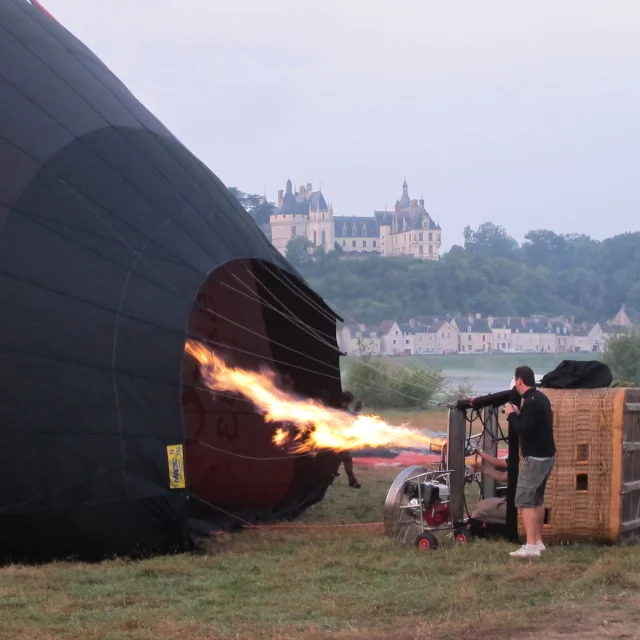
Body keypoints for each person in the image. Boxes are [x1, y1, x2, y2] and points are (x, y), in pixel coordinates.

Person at [504, 365, 556, 558]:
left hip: (534, 457)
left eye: (515, 382)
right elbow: (531, 424)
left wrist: (510, 414)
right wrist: (519, 414)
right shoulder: (540, 398)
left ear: (519, 380)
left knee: (524, 500)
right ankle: (539, 542)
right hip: (546, 455)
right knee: (537, 499)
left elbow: (523, 430)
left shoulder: (532, 402)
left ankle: (531, 546)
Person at [469, 449, 508, 526]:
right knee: (480, 504)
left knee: (476, 514)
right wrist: (483, 469)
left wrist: (479, 450)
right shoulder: (524, 459)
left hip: (520, 506)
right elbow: (503, 476)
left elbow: (496, 462)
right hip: (514, 502)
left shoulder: (523, 460)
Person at [338, 391, 361, 489]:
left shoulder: (344, 408)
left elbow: (350, 417)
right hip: (332, 437)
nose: (347, 404)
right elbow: (349, 416)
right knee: (345, 458)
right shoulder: (337, 409)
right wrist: (357, 410)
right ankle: (352, 481)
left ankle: (352, 480)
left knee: (346, 458)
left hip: (338, 438)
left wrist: (356, 410)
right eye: (347, 402)